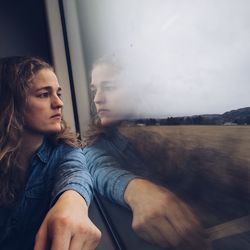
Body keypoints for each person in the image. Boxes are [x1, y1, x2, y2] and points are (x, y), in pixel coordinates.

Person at [83, 59, 208, 249]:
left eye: (108, 87)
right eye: (95, 89)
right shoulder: (100, 143)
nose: (97, 98)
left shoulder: (167, 135)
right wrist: (136, 190)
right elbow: (97, 165)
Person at [0, 56, 101, 250]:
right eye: (44, 94)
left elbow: (75, 173)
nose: (59, 103)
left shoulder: (64, 152)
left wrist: (73, 203)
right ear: (11, 104)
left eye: (58, 93)